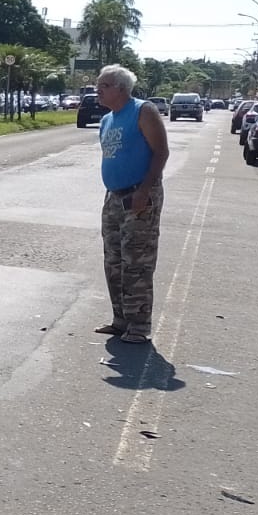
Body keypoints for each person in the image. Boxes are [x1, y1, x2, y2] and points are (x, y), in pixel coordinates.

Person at [94, 65, 169, 344]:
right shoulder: (107, 120)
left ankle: (139, 326)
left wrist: (145, 189)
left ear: (121, 88)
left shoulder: (143, 111)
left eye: (104, 85)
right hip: (114, 197)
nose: (97, 90)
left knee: (136, 261)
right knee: (113, 260)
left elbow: (161, 152)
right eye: (98, 85)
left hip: (140, 195)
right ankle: (120, 319)